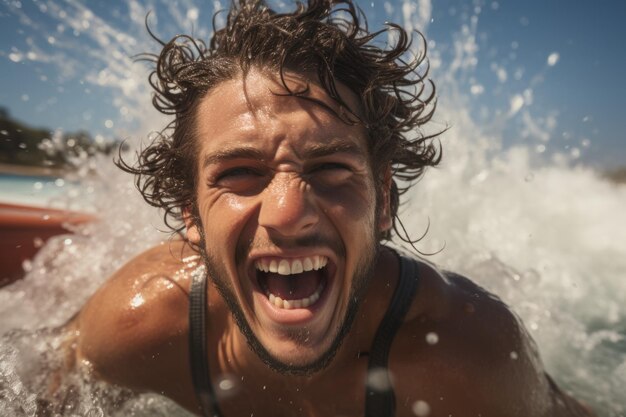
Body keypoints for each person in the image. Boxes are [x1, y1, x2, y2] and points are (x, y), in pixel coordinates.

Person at [64, 1, 595, 416]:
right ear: (191, 215)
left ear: (383, 200)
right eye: (240, 174)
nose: (289, 214)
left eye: (330, 171)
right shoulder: (136, 329)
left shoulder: (465, 353)